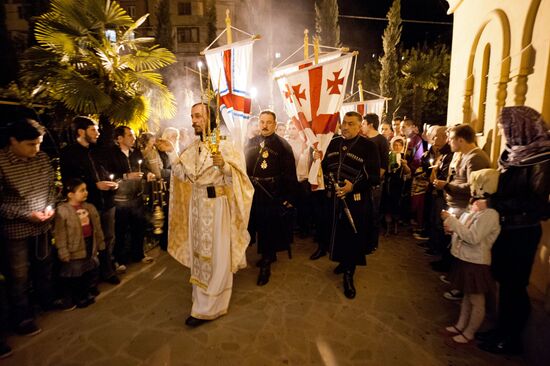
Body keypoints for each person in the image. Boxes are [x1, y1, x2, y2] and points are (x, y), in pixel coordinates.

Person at [168, 102, 253, 327]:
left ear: (210, 119)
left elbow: (240, 180)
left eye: (198, 116)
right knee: (200, 257)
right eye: (192, 116)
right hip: (197, 207)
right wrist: (170, 151)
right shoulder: (194, 146)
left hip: (217, 207)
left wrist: (225, 166)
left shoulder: (225, 144)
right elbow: (183, 175)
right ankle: (200, 302)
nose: (193, 120)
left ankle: (211, 306)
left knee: (217, 257)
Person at [476, 106, 550, 355]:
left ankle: (512, 338)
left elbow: (535, 202)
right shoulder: (513, 154)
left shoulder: (541, 157)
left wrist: (492, 202)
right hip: (506, 227)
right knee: (503, 282)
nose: (501, 131)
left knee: (514, 286)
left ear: (520, 127)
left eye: (504, 126)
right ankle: (501, 330)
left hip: (523, 231)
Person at [0, 118, 56, 336]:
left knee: (44, 266)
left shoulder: (41, 158)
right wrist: (25, 215)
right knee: (19, 275)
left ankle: (45, 301)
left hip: (42, 226)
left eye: (39, 143)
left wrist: (50, 206)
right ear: (13, 141)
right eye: (31, 144)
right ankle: (22, 317)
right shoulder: (2, 163)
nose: (37, 149)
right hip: (17, 231)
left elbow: (51, 186)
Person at [319, 111, 380, 299]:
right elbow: (324, 165)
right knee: (337, 234)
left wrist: (353, 186)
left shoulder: (368, 146)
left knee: (352, 236)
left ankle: (348, 274)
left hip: (356, 201)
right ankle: (342, 262)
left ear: (360, 125)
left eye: (351, 124)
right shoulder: (334, 142)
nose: (345, 127)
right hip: (334, 199)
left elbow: (375, 177)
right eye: (344, 123)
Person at [441, 169, 501, 345]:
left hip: (476, 262)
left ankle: (470, 332)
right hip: (466, 258)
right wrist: (452, 227)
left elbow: (473, 238)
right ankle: (461, 325)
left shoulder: (490, 214)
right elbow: (463, 229)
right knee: (467, 295)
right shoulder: (476, 208)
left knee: (476, 299)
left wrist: (452, 222)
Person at [60, 116, 120, 285]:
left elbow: (107, 171)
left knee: (108, 238)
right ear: (81, 132)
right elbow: (70, 182)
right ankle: (90, 279)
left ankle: (108, 271)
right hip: (87, 205)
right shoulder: (68, 154)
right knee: (88, 242)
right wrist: (95, 186)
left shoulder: (98, 150)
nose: (98, 133)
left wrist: (112, 184)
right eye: (93, 130)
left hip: (107, 203)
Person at [245, 110, 297, 286]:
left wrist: (288, 197)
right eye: (262, 122)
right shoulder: (251, 142)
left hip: (273, 193)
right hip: (254, 191)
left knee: (269, 227)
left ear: (275, 124)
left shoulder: (283, 145)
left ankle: (266, 264)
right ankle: (269, 254)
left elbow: (290, 173)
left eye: (268, 122)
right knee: (258, 225)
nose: (265, 125)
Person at [54, 178, 104, 309]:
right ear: (70, 194)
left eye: (86, 189)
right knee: (76, 273)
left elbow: (97, 227)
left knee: (87, 269)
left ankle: (86, 293)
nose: (86, 192)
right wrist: (63, 250)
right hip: (73, 248)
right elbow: (60, 233)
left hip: (88, 243)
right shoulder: (63, 211)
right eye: (81, 190)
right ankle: (77, 297)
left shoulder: (89, 207)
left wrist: (100, 242)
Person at [110, 126, 154, 265]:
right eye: (129, 135)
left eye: (133, 135)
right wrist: (126, 176)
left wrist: (148, 174)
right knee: (120, 230)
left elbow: (143, 169)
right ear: (119, 138)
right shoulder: (112, 154)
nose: (133, 138)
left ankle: (139, 254)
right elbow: (109, 174)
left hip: (137, 196)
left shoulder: (136, 153)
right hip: (121, 199)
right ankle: (119, 260)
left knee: (139, 227)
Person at [361, 113, 389, 253]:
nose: (362, 126)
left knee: (374, 212)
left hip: (375, 184)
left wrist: (374, 181)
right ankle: (364, 240)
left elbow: (384, 164)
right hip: (363, 183)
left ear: (370, 124)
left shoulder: (381, 140)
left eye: (364, 124)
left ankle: (372, 243)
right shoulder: (364, 140)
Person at [381, 136, 411, 235]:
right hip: (388, 184)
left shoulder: (404, 157)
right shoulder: (388, 156)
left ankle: (396, 227)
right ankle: (388, 228)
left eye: (399, 145)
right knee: (387, 206)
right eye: (395, 145)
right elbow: (385, 170)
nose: (397, 147)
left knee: (396, 206)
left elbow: (408, 173)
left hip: (398, 185)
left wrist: (405, 165)